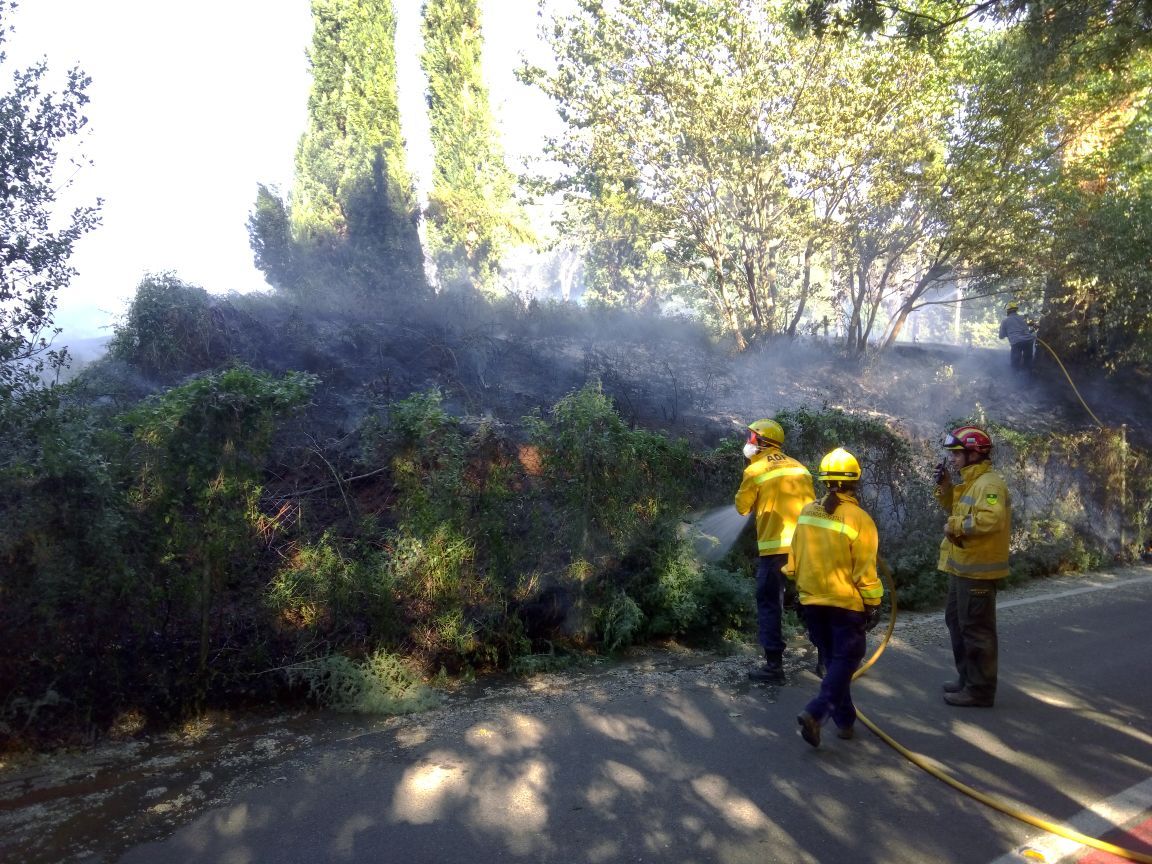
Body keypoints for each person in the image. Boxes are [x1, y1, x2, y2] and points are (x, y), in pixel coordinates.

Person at [788, 448, 883, 747]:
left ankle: (844, 720)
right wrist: (873, 603)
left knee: (832, 659)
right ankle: (817, 713)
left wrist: (801, 589)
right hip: (845, 605)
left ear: (825, 480)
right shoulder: (860, 518)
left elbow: (794, 559)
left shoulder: (806, 512)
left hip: (811, 601)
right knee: (848, 658)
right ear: (855, 481)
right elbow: (865, 572)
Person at [734, 418, 816, 684]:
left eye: (752, 438)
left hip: (775, 549)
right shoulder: (800, 468)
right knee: (811, 600)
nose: (748, 442)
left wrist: (750, 473)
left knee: (770, 603)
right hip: (806, 544)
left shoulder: (755, 470)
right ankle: (827, 660)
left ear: (762, 442)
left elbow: (742, 507)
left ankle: (773, 666)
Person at [935, 425, 1011, 708]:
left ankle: (980, 690)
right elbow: (954, 508)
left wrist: (954, 525)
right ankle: (967, 678)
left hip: (978, 571)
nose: (953, 459)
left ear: (974, 453)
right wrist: (944, 487)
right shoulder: (971, 482)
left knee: (976, 629)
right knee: (956, 621)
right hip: (962, 568)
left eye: (957, 453)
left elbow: (992, 519)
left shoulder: (989, 484)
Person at [999, 302, 1036, 372]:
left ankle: (1015, 378)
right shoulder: (1023, 318)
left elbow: (1001, 336)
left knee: (1015, 363)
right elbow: (1031, 326)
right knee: (1028, 361)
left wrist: (1010, 333)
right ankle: (1029, 378)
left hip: (1016, 342)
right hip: (1028, 341)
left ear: (1007, 311)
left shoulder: (1005, 321)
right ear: (1016, 310)